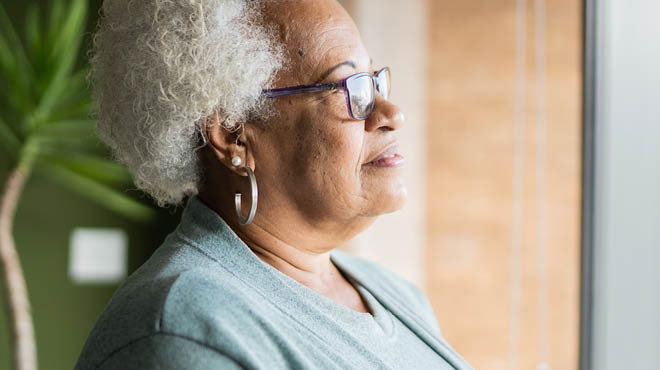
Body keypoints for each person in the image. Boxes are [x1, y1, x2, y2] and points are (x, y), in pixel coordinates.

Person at [75, 0, 472, 369]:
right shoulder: (186, 329)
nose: (391, 113)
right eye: (350, 87)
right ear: (233, 134)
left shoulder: (394, 294)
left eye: (374, 81)